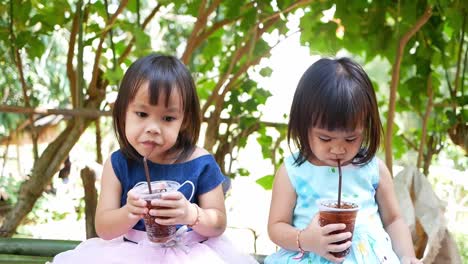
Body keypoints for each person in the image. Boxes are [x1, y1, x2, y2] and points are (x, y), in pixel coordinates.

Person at [53, 54, 257, 263]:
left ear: (184, 121)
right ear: (122, 112)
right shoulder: (118, 164)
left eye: (168, 118)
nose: (153, 128)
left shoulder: (201, 162)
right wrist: (129, 212)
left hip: (191, 253)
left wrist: (190, 214)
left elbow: (218, 223)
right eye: (141, 114)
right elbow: (104, 229)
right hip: (130, 253)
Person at [265, 57, 422, 264]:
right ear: (303, 126)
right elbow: (276, 226)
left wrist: (407, 257)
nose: (338, 149)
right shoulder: (293, 171)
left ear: (365, 128)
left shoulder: (374, 170)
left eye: (351, 138)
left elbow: (393, 220)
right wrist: (306, 239)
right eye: (325, 138)